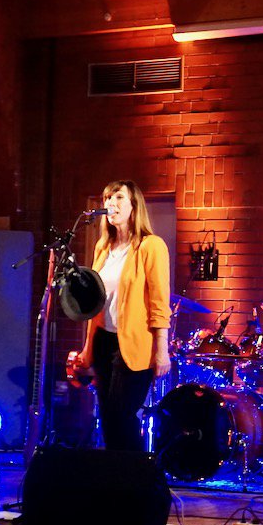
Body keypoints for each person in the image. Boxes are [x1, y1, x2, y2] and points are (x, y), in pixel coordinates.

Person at [76, 180, 171, 452]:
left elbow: (159, 301)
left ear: (134, 206)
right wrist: (88, 348)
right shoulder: (103, 248)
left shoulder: (151, 246)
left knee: (123, 415)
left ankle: (140, 474)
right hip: (104, 341)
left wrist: (162, 350)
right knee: (108, 419)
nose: (111, 204)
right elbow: (96, 303)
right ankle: (116, 474)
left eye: (118, 198)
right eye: (107, 198)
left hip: (134, 344)